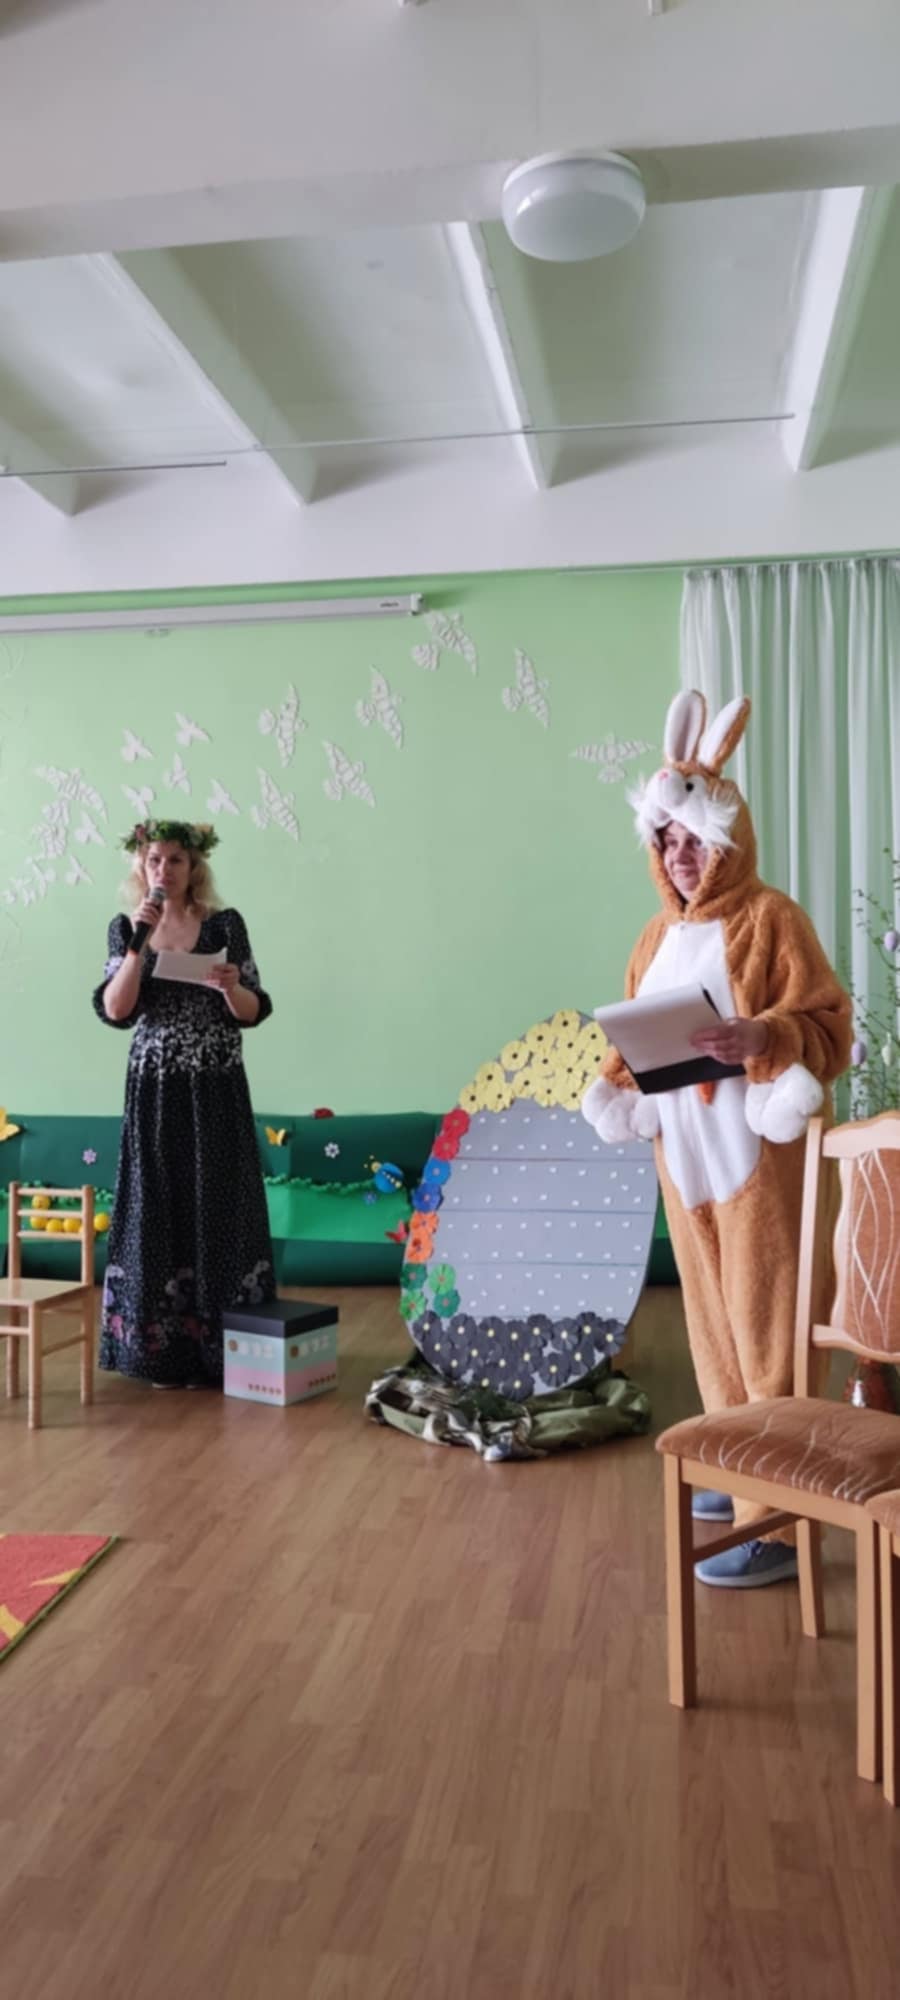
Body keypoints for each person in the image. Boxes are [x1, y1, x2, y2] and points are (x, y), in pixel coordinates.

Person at [583, 691, 852, 1588]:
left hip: (758, 1163)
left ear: (727, 838)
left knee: (770, 1334)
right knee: (714, 1334)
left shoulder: (772, 919)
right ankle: (741, 1475)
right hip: (686, 1162)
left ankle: (778, 1522)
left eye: (694, 839)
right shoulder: (656, 935)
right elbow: (634, 1035)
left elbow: (829, 1027)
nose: (680, 855)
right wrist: (616, 1084)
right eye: (666, 841)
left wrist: (762, 1036)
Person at [93, 818, 275, 1389]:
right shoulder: (126, 927)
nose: (163, 869)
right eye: (154, 859)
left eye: (175, 859)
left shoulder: (224, 924)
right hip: (155, 1090)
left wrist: (229, 985)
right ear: (140, 865)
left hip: (215, 1085)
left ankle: (226, 1352)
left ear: (194, 867)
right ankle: (159, 1354)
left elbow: (253, 1009)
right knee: (157, 1203)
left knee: (220, 1202)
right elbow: (116, 1010)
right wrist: (137, 946)